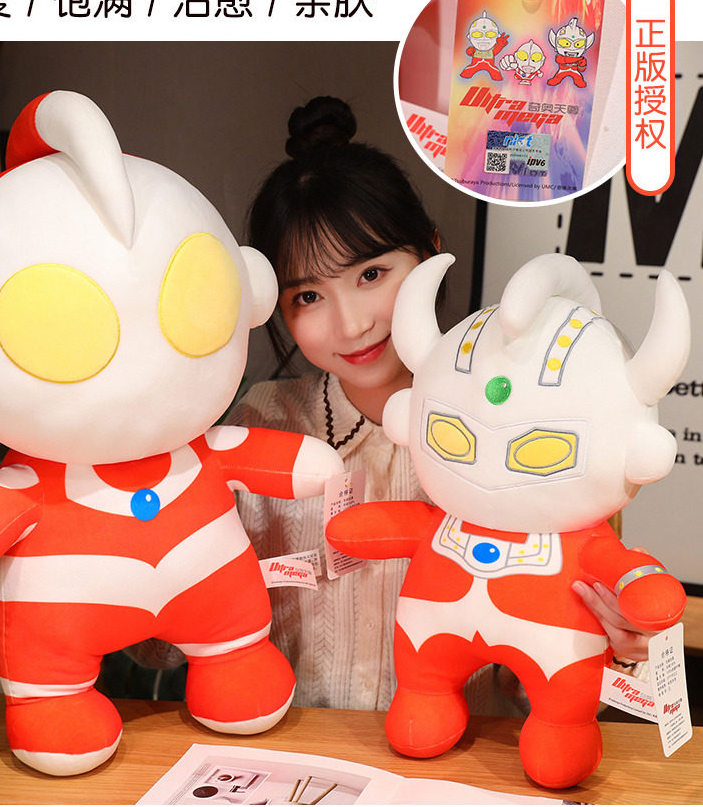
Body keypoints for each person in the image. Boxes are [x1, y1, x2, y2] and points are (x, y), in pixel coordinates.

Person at [126, 95, 652, 709]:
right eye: (308, 297)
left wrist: (616, 644)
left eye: (371, 275)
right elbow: (161, 650)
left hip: (461, 754)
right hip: (288, 752)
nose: (351, 324)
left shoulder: (530, 423)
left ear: (429, 251)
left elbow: (536, 692)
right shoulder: (259, 424)